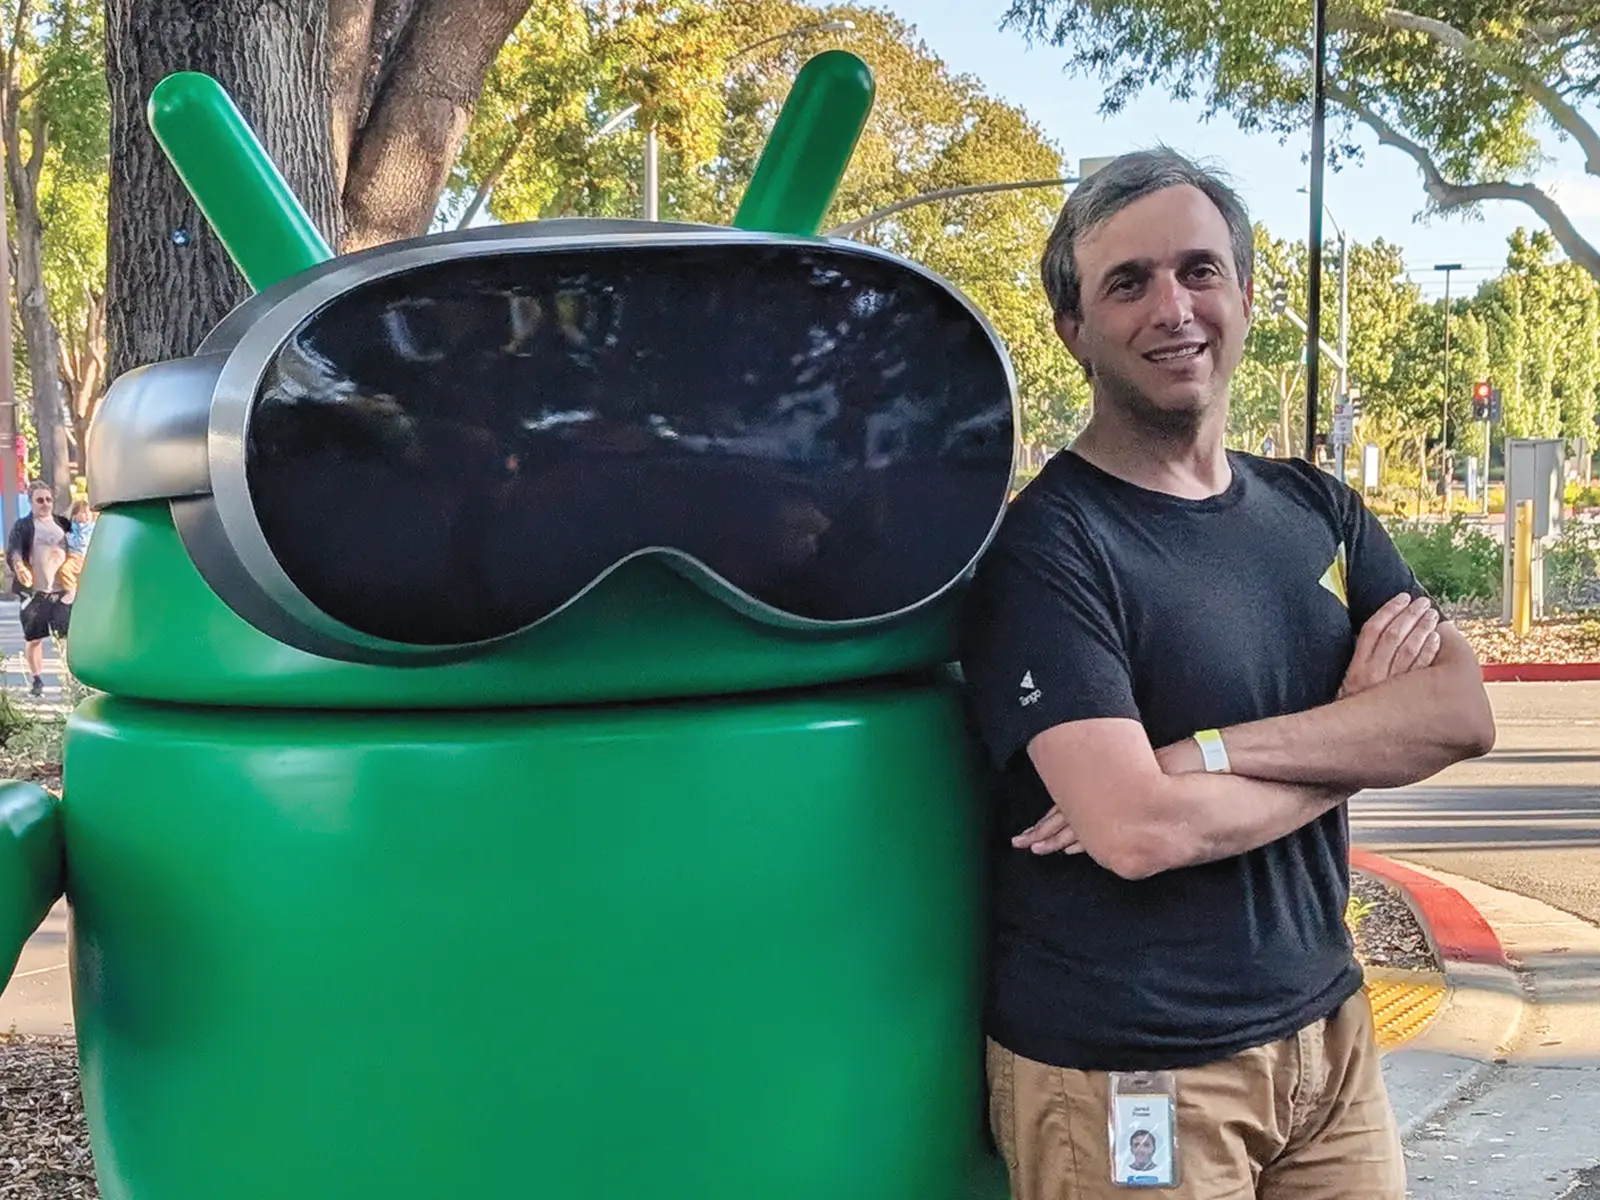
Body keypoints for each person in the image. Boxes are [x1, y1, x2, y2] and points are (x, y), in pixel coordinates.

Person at [960, 149, 1496, 1199]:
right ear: (1073, 330)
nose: (1173, 307)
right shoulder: (1047, 551)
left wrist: (1212, 754)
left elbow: (1457, 710)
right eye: (1128, 282)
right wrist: (1355, 735)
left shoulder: (1316, 510)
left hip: (1327, 1042)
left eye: (1199, 271)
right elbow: (1138, 831)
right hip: (1128, 1069)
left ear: (1244, 297)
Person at [6, 482, 73, 697]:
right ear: (31, 502)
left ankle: (70, 679)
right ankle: (37, 680)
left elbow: (80, 544)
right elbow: (14, 551)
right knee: (34, 639)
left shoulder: (63, 523)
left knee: (65, 636)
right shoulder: (23, 526)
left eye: (48, 500)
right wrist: (19, 567)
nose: (45, 504)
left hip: (62, 591)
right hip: (35, 592)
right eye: (40, 500)